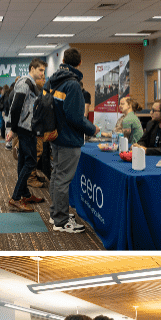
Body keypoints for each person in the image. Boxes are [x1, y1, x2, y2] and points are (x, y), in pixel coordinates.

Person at [48, 48, 98, 234]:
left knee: (56, 175)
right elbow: (75, 117)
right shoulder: (73, 84)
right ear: (79, 63)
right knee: (62, 179)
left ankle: (56, 213)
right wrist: (93, 129)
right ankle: (61, 221)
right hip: (69, 139)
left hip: (55, 136)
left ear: (63, 60)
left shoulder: (54, 80)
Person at [5, 58, 47, 213]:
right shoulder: (25, 83)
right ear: (32, 68)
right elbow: (15, 107)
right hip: (24, 128)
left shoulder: (31, 84)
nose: (43, 73)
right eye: (40, 70)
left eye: (44, 70)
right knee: (30, 162)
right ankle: (16, 198)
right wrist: (13, 129)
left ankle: (25, 194)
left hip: (28, 127)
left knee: (23, 161)